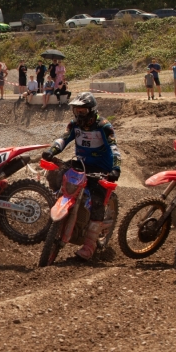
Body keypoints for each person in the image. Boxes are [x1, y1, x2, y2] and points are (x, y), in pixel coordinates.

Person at [41, 92, 120, 260]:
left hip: (100, 169)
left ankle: (89, 247)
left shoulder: (104, 126)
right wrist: (51, 150)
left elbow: (114, 148)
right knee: (54, 174)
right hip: (81, 163)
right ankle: (55, 218)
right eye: (76, 111)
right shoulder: (74, 125)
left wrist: (116, 169)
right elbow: (63, 139)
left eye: (82, 111)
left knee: (98, 201)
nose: (78, 115)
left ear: (91, 110)